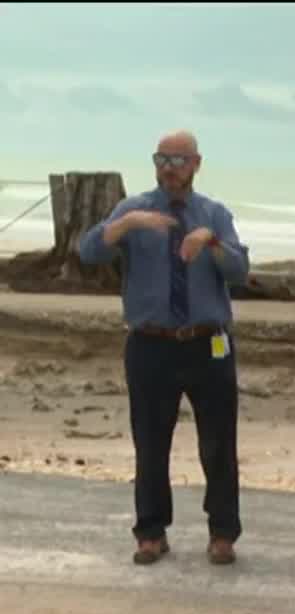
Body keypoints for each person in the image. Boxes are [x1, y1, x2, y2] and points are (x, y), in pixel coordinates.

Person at [79, 130, 251, 566]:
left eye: (178, 160)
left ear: (196, 163)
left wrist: (210, 242)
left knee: (217, 443)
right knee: (151, 443)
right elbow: (88, 252)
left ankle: (223, 533)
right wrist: (126, 225)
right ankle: (151, 532)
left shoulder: (213, 212)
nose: (168, 168)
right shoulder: (133, 208)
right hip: (150, 344)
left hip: (207, 342)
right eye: (161, 159)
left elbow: (239, 270)